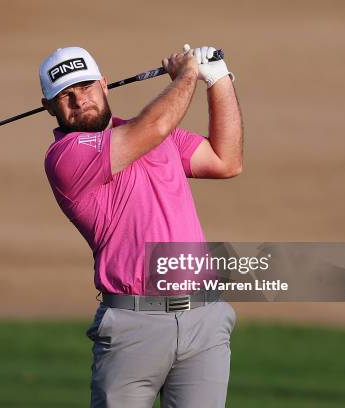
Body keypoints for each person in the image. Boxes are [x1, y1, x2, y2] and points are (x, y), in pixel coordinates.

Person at [40, 45, 243, 408]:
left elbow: (225, 160)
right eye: (65, 96)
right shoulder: (65, 157)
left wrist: (218, 77)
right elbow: (158, 124)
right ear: (49, 107)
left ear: (105, 84)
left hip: (204, 319)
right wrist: (185, 75)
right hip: (133, 325)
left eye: (85, 87)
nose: (79, 100)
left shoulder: (150, 134)